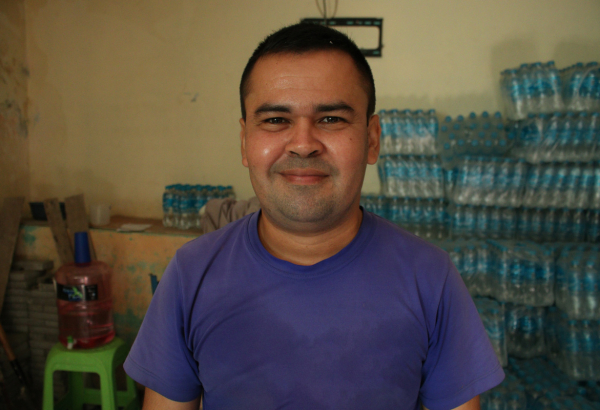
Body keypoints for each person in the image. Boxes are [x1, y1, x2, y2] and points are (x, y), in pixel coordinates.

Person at [124, 23, 504, 410]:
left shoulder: (430, 278)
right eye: (275, 120)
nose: (303, 144)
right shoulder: (191, 275)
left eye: (331, 119)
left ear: (372, 139)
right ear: (244, 141)